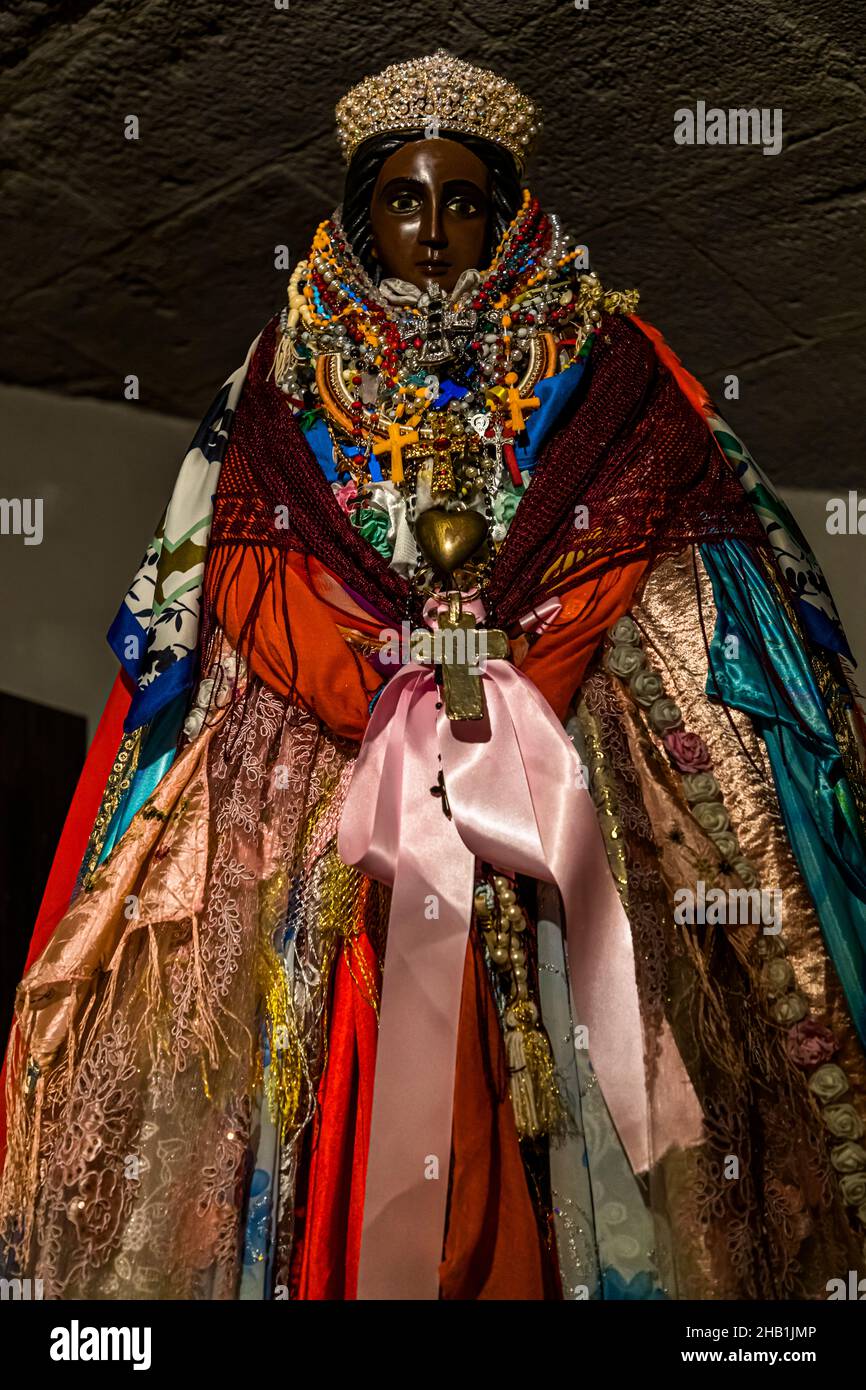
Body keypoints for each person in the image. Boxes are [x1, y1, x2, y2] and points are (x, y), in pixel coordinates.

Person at [2, 49, 866, 1302]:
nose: (433, 230)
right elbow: (240, 565)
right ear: (363, 211)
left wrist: (519, 681)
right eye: (404, 198)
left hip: (572, 771)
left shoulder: (604, 361)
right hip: (339, 786)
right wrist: (395, 698)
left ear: (505, 213)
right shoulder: (285, 370)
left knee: (621, 1102)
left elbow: (680, 535)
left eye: (464, 200)